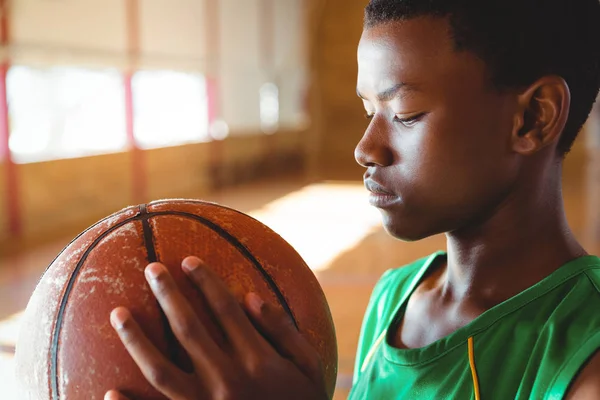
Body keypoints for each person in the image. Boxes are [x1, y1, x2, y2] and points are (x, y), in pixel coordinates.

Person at [105, 0, 600, 398]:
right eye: (369, 109)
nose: (365, 148)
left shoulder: (583, 352)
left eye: (405, 113)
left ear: (533, 117)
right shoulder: (393, 297)